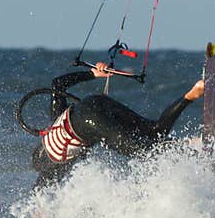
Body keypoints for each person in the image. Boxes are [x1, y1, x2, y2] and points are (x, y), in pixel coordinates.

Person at [31, 62, 205, 188]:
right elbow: (58, 83)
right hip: (93, 102)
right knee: (154, 130)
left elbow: (40, 185)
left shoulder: (54, 166)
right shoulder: (54, 121)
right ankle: (194, 91)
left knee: (144, 151)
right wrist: (93, 73)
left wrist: (38, 208)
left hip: (90, 121)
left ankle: (190, 143)